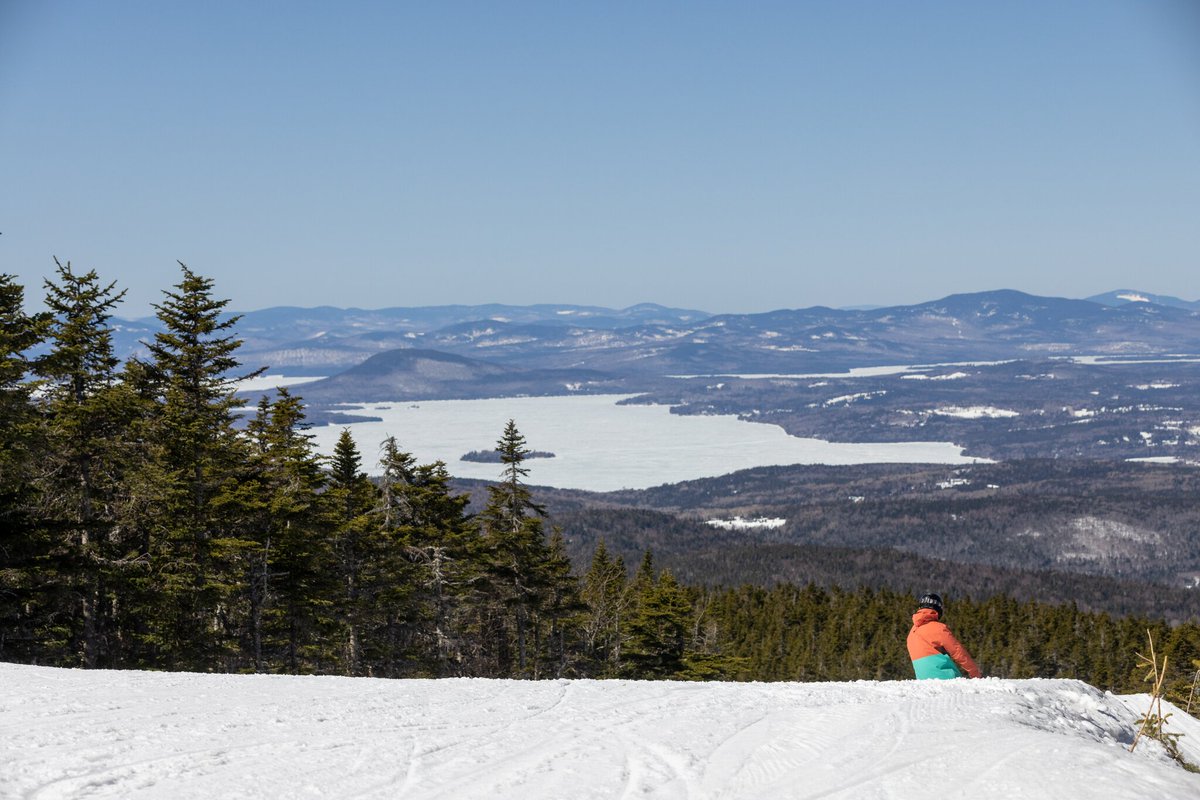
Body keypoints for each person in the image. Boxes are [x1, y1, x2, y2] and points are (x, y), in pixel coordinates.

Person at [906, 592, 982, 679]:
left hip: (923, 680)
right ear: (939, 609)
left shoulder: (912, 633)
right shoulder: (938, 628)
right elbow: (958, 651)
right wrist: (974, 672)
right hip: (945, 677)